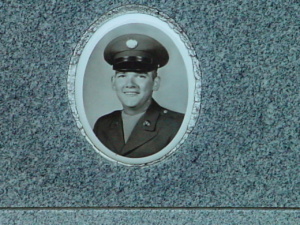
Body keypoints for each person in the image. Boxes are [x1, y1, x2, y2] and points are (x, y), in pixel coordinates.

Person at [93, 34, 184, 158]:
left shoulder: (177, 125)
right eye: (122, 76)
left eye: (140, 76)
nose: (130, 84)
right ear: (113, 83)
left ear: (155, 83)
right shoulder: (102, 125)